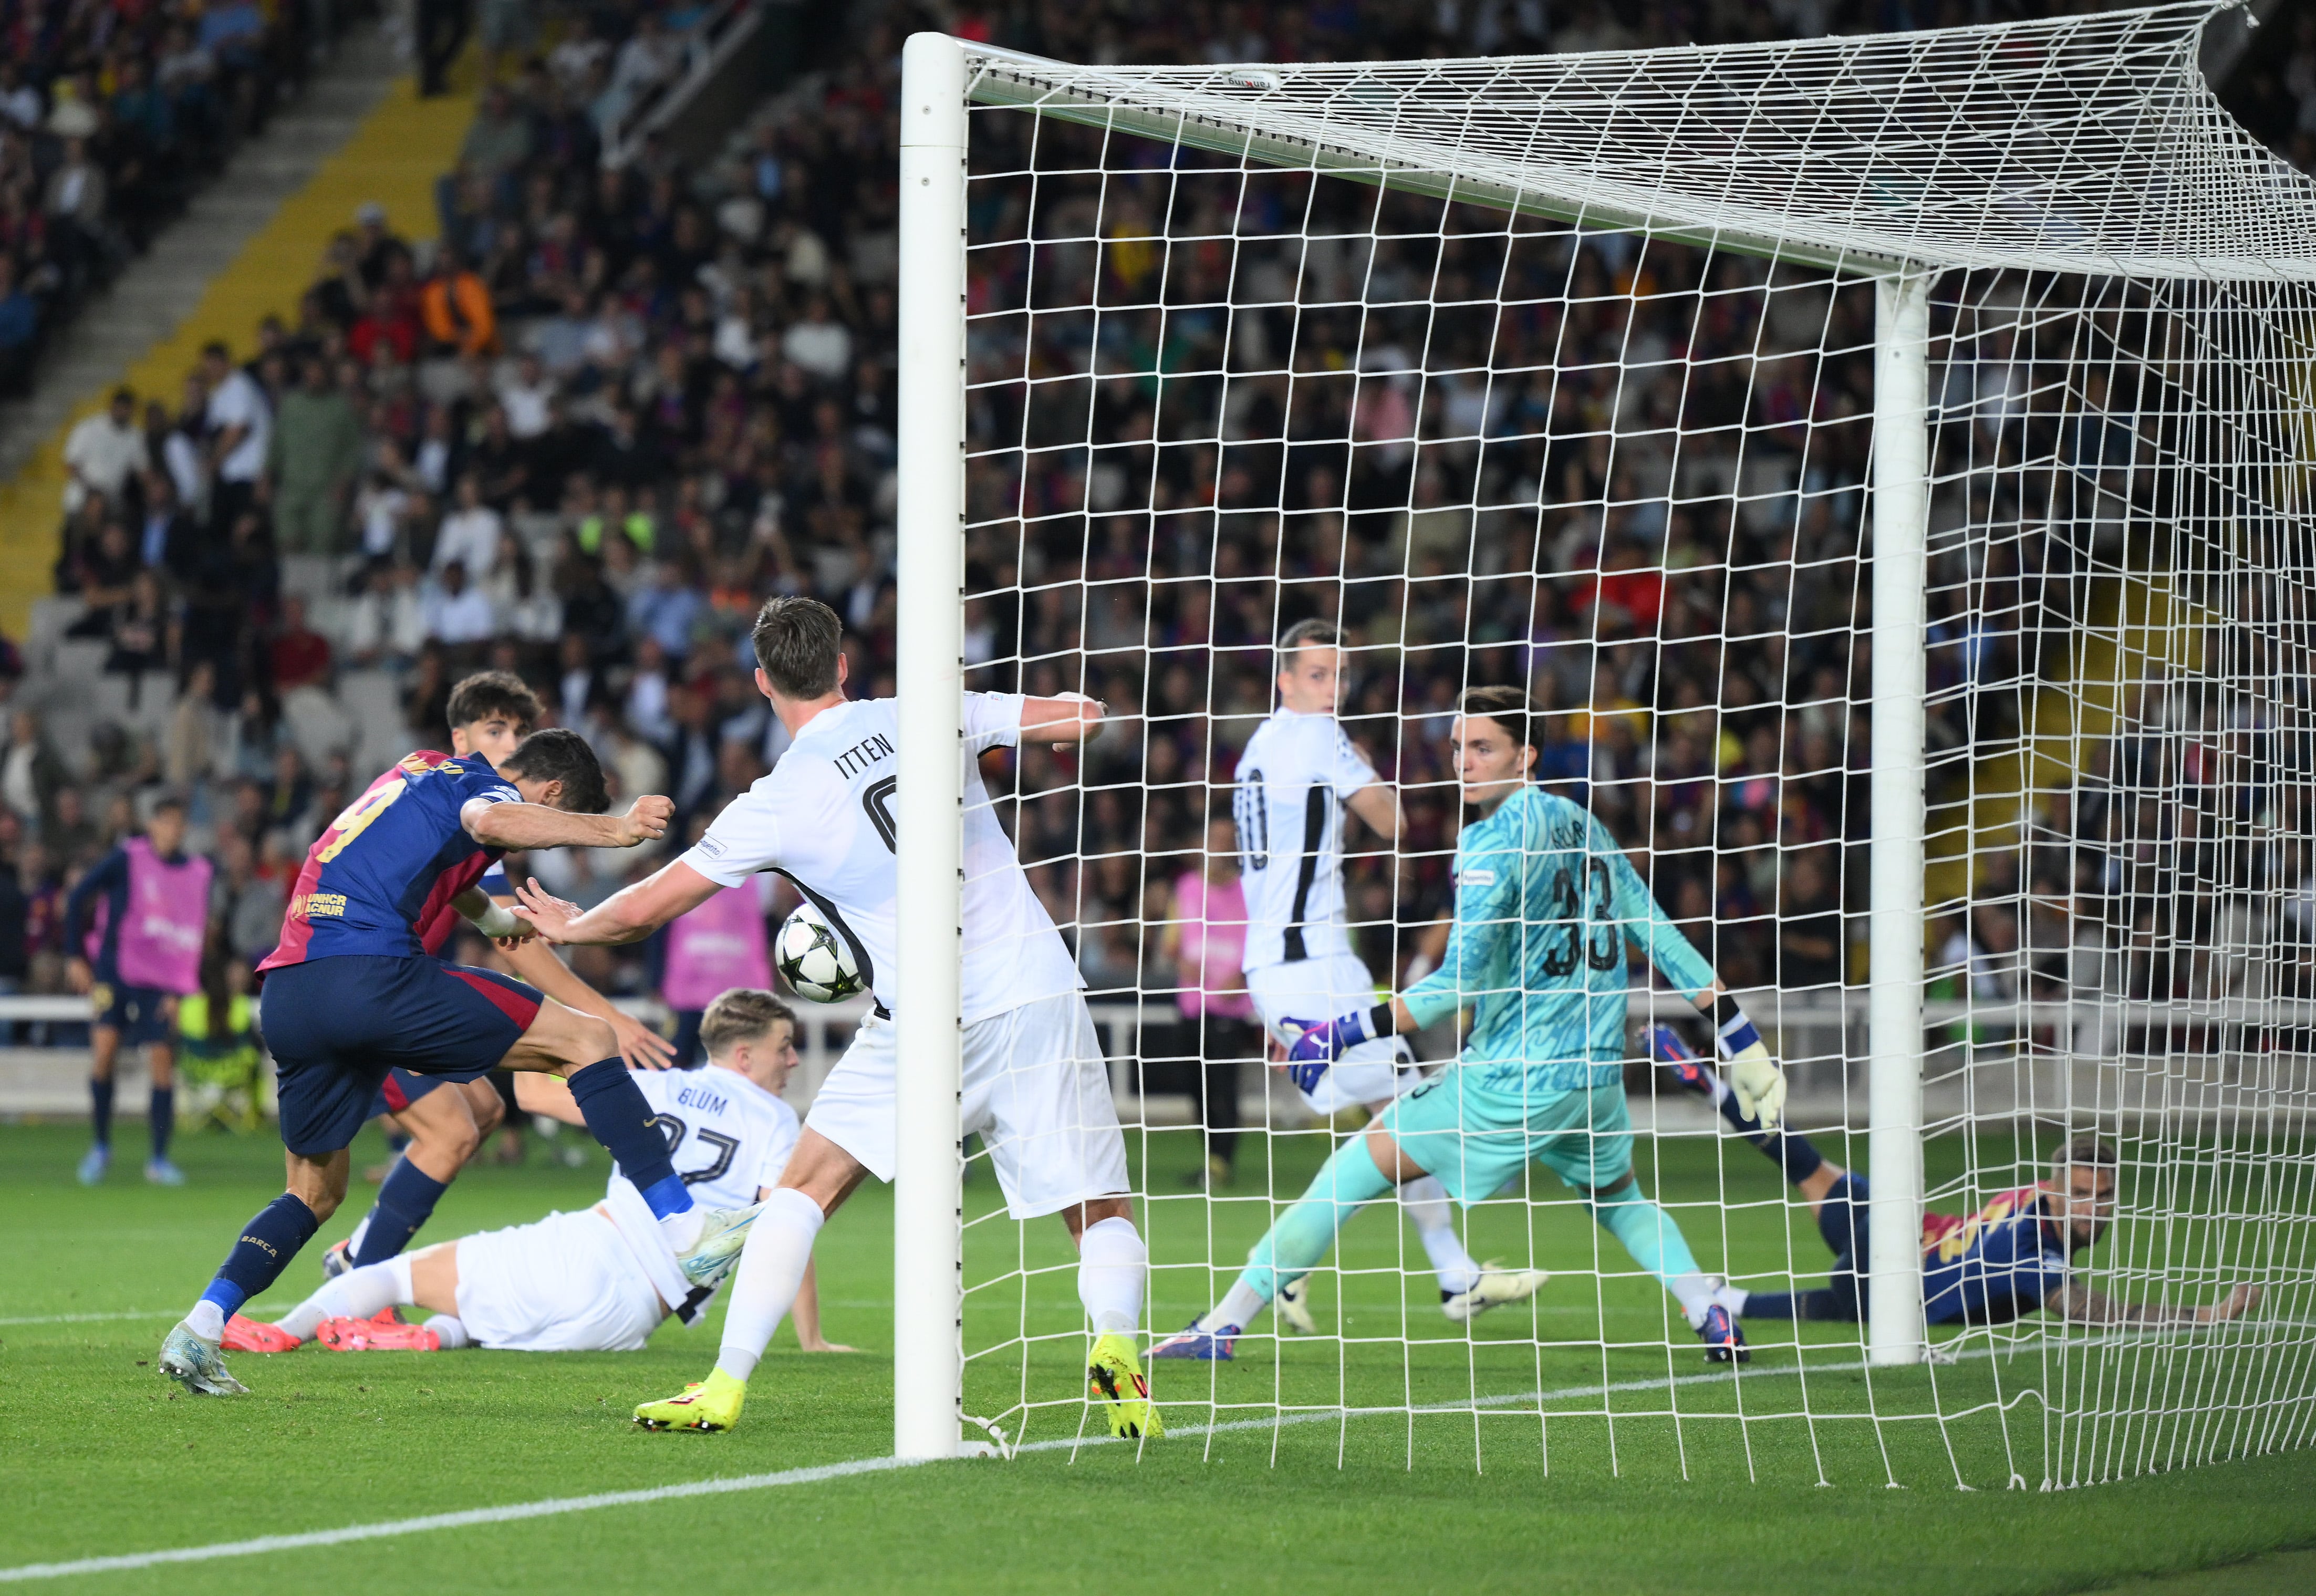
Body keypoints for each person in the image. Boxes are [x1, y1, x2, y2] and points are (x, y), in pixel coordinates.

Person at [512, 596, 1158, 1439]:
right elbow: (1079, 718)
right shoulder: (932, 712)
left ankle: (722, 1384)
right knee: (1099, 1206)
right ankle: (1114, 1344)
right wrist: (1078, 724)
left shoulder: (773, 801)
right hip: (1034, 988)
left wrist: (575, 922)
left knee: (802, 1191)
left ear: (761, 682)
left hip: (923, 1019)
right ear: (843, 664)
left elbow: (645, 909)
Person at [1156, 686, 1785, 1365]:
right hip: (1593, 1077)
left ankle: (1220, 1325)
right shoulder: (1584, 823)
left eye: (1483, 747)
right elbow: (1659, 935)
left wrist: (1340, 1031)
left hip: (1507, 1078)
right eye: (1458, 746)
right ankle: (1707, 1310)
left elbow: (1457, 983)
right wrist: (1741, 1040)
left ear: (1527, 755)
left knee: (1344, 1176)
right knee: (1618, 1198)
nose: (1464, 761)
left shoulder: (1486, 844)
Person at [154, 726, 754, 1399]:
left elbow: (437, 863)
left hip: (292, 992)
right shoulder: (483, 790)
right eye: (550, 829)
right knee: (587, 1041)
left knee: (313, 1193)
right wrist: (613, 830)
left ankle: (201, 1326)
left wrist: (500, 924)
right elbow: (492, 817)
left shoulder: (418, 771)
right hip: (370, 972)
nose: (545, 841)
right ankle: (682, 1227)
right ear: (551, 791)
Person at [229, 990, 851, 1356]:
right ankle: (436, 1338)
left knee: (391, 1276)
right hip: (634, 1316)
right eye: (784, 1046)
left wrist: (563, 1015)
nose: (794, 1058)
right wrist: (811, 1337)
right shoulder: (775, 1119)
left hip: (588, 1252)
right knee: (487, 1322)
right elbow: (783, 1229)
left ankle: (283, 1332)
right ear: (744, 1054)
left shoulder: (654, 1086)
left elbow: (529, 1088)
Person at [317, 672, 676, 1283]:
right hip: (366, 984)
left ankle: (357, 1260)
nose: (509, 743)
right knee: (452, 1128)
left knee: (481, 1109)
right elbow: (517, 947)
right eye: (495, 728)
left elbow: (502, 925)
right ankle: (360, 1280)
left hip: (383, 981)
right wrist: (607, 1017)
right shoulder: (458, 813)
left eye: (518, 731)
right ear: (460, 738)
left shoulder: (443, 797)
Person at [1231, 619, 1503, 1324]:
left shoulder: (1255, 749)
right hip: (1308, 961)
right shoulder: (1321, 738)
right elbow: (1392, 821)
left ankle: (1445, 1271)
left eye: (1340, 675)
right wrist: (1369, 766)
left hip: (1284, 964)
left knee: (1395, 1111)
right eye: (1318, 674)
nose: (1333, 688)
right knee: (1407, 1112)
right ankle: (1305, 1262)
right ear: (1284, 678)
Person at [1648, 1030, 2265, 1330]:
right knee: (1853, 1302)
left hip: (1900, 1230)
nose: (2092, 1208)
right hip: (1889, 1260)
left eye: (2102, 1196)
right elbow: (2086, 1309)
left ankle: (1716, 1093)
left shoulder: (2027, 1199)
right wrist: (2204, 1313)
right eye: (2078, 1192)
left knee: (1805, 1166)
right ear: (2051, 1191)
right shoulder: (2035, 1250)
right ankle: (1721, 1303)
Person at [66, 795, 213, 1186]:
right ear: (152, 825)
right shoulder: (126, 859)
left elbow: (190, 935)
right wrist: (74, 955)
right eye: (165, 821)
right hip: (112, 973)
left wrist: (179, 990)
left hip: (159, 983)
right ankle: (100, 1146)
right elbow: (79, 895)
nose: (172, 829)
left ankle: (159, 1159)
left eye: (178, 823)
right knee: (105, 1053)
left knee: (162, 1061)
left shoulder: (195, 873)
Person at [1158, 815, 1257, 1189]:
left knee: (1224, 1086)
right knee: (1196, 1086)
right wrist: (1183, 961)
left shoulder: (1249, 890)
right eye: (1213, 839)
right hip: (1192, 1004)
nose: (1219, 847)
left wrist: (1243, 976)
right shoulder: (1185, 888)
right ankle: (1213, 1159)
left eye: (1226, 839)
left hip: (1231, 1007)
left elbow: (1262, 942)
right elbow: (1171, 943)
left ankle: (1222, 1162)